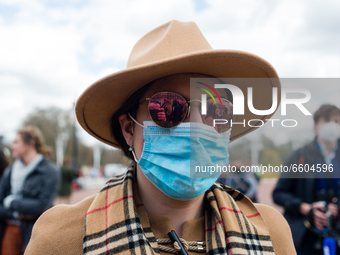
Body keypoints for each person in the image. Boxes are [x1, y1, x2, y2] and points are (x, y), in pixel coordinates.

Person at [25, 20, 295, 254]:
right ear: (129, 129)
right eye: (169, 107)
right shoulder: (61, 238)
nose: (197, 124)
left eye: (216, 109)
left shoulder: (271, 233)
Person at [273, 104, 340, 255]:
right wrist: (305, 208)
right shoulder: (299, 156)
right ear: (316, 125)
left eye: (336, 121)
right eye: (327, 121)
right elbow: (279, 193)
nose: (332, 125)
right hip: (305, 238)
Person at [0, 126, 60, 254]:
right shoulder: (9, 171)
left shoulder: (50, 171)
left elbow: (42, 206)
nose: (12, 146)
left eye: (16, 142)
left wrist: (11, 202)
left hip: (36, 231)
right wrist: (15, 214)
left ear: (30, 144)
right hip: (10, 230)